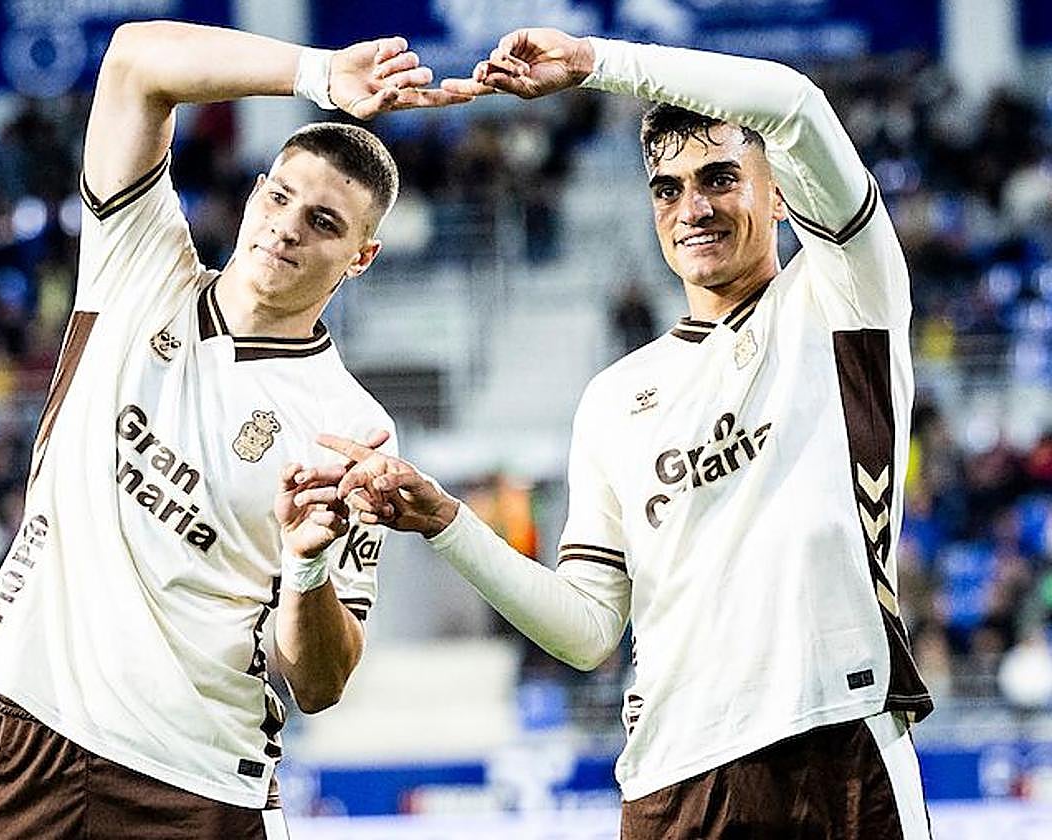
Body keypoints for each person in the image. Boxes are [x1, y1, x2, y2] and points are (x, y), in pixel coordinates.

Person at [321, 28, 933, 839]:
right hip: (671, 782)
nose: (696, 209)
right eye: (669, 188)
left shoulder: (843, 301)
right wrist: (446, 524)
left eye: (721, 179)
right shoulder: (614, 399)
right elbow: (587, 631)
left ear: (780, 191)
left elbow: (794, 104)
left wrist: (592, 64)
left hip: (838, 745)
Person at [0, 20, 470, 839]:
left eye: (326, 223)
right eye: (281, 196)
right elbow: (132, 60)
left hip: (196, 785)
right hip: (39, 737)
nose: (289, 226)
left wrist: (305, 568)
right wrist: (320, 72)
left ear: (361, 258)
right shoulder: (139, 266)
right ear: (257, 188)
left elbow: (320, 682)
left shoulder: (352, 430)